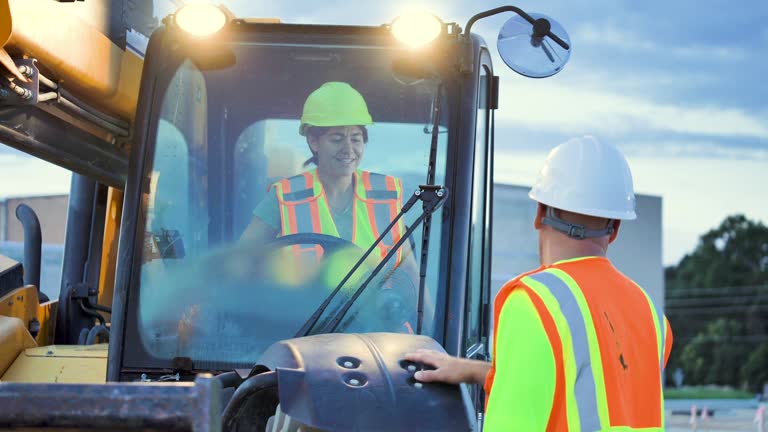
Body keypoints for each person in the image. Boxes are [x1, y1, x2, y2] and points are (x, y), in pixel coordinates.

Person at [405, 136, 674, 430]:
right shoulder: (649, 312)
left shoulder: (537, 302)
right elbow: (580, 387)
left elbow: (515, 420)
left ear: (540, 213)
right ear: (616, 229)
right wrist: (472, 371)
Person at [241, 81, 420, 331]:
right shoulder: (285, 197)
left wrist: (434, 342)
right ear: (314, 141)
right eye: (337, 139)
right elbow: (241, 259)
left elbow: (409, 272)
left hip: (378, 337)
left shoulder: (386, 196)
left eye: (356, 139)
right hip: (304, 335)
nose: (349, 149)